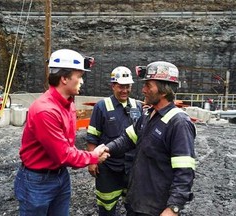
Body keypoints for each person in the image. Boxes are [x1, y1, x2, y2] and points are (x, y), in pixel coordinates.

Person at [14, 49, 110, 216]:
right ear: (64, 78)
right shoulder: (46, 111)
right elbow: (63, 155)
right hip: (38, 181)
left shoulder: (68, 102)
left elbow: (66, 147)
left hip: (60, 175)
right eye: (79, 77)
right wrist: (93, 156)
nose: (82, 82)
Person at [106, 61, 196, 216]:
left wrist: (173, 208)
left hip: (156, 209)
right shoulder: (148, 115)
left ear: (163, 91)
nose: (143, 90)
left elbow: (184, 171)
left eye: (148, 86)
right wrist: (107, 148)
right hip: (136, 202)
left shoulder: (178, 123)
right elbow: (127, 139)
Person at [86, 66, 142, 216]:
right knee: (107, 208)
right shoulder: (102, 107)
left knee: (134, 208)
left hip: (131, 169)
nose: (124, 90)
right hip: (108, 169)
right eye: (120, 87)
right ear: (113, 86)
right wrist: (92, 161)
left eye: (128, 86)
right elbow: (92, 136)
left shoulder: (139, 106)